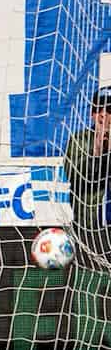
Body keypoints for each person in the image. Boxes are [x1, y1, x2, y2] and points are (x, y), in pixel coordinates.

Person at [64, 88, 111, 262]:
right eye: (98, 109)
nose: (103, 115)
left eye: (109, 110)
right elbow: (74, 174)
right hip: (91, 227)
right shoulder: (79, 139)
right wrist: (97, 150)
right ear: (92, 114)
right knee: (90, 282)